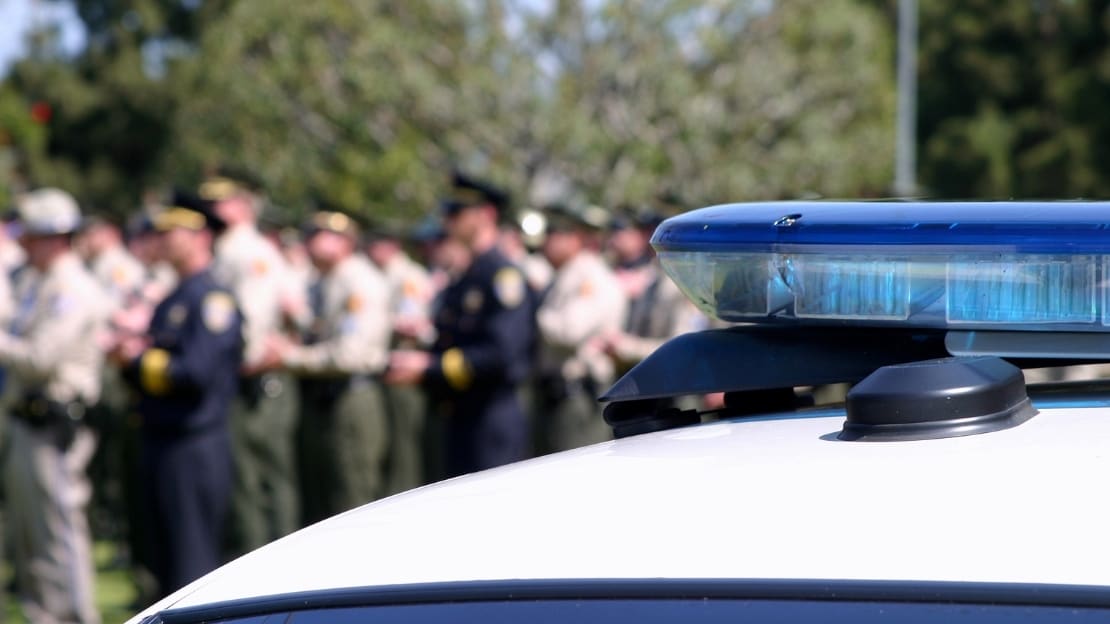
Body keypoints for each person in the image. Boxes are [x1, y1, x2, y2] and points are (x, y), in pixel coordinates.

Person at [111, 195, 243, 598]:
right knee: (165, 566)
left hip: (193, 445)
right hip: (163, 440)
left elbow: (196, 372)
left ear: (202, 236)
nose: (162, 239)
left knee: (191, 567)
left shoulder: (210, 299)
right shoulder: (174, 296)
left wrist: (138, 360)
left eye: (173, 231)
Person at [386, 173, 535, 478]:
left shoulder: (501, 276)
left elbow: (501, 354)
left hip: (491, 419)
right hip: (461, 415)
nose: (447, 219)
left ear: (487, 215)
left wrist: (429, 367)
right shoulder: (468, 274)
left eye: (457, 212)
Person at [1, 188, 105, 624]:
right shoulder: (38, 282)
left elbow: (41, 358)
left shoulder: (70, 286)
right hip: (28, 423)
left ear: (56, 237)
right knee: (33, 535)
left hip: (55, 424)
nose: (24, 243)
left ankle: (79, 617)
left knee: (59, 533)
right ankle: (47, 615)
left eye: (33, 236)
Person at [250, 210, 392, 525]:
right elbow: (322, 331)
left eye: (322, 235)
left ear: (345, 242)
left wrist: (289, 357)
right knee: (321, 501)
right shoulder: (325, 281)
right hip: (322, 398)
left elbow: (350, 355)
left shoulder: (359, 281)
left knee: (351, 499)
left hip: (351, 398)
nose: (311, 242)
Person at [199, 170, 301, 552]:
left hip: (258, 381)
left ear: (242, 207)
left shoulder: (249, 252)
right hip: (242, 379)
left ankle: (274, 570)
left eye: (220, 202)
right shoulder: (228, 249)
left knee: (262, 482)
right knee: (248, 482)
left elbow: (251, 329)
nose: (211, 210)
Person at [534, 202, 627, 454]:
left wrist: (534, 316)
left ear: (574, 237)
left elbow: (569, 331)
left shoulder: (589, 275)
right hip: (558, 397)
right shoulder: (567, 273)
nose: (546, 242)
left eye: (554, 235)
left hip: (579, 399)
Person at [366, 223, 434, 492]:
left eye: (379, 242)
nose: (374, 248)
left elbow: (410, 322)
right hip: (389, 369)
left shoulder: (407, 277)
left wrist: (378, 320)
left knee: (404, 453)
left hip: (405, 372)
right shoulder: (382, 274)